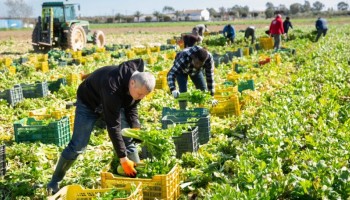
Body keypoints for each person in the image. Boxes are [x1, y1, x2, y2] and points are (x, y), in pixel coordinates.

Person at [47, 58, 156, 194]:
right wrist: (123, 159)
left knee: (128, 139)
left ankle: (138, 181)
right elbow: (113, 126)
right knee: (78, 146)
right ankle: (54, 181)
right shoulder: (112, 87)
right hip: (89, 104)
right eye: (140, 94)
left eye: (144, 96)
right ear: (132, 83)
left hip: (113, 103)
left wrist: (135, 126)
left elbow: (132, 106)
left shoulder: (137, 82)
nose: (140, 98)